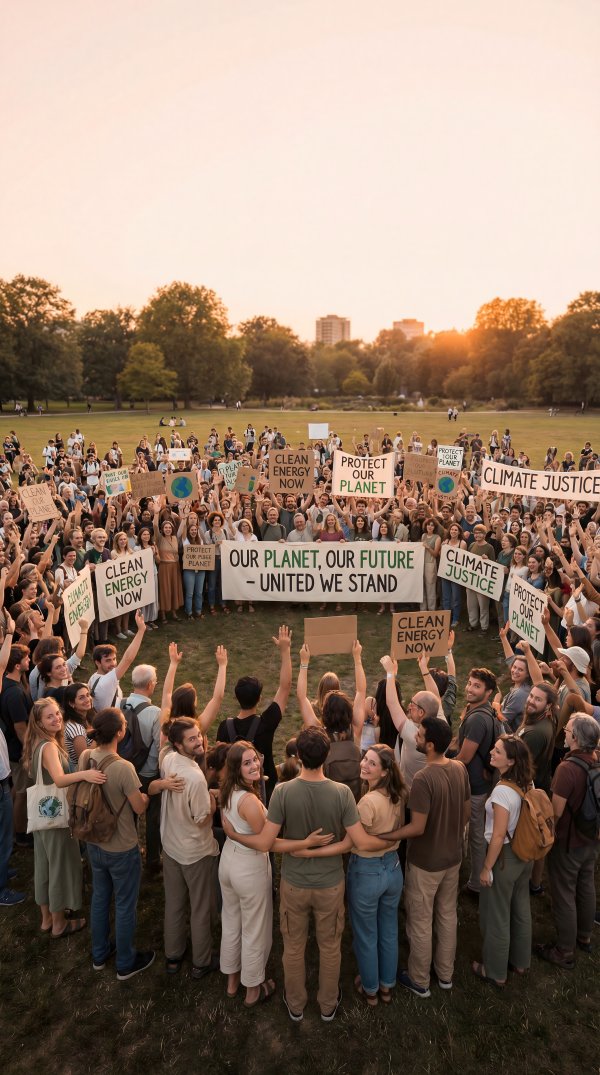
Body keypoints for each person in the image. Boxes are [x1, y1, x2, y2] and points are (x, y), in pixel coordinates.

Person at [223, 727, 386, 1023]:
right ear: (327, 756)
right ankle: (327, 1003)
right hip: (331, 884)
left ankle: (296, 1004)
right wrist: (319, 850)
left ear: (297, 756)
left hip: (294, 884)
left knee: (294, 947)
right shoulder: (343, 793)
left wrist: (236, 834)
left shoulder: (283, 791)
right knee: (330, 945)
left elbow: (266, 841)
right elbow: (353, 842)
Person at [382, 716, 470, 997]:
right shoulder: (459, 768)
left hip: (426, 862)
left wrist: (386, 836)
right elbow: (466, 813)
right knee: (446, 915)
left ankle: (419, 980)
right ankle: (445, 974)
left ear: (430, 745)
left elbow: (417, 827)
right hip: (453, 858)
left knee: (420, 920)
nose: (416, 737)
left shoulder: (423, 779)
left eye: (419, 735)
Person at [22, 697, 107, 936]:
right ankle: (59, 923)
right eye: (49, 716)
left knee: (44, 865)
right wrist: (86, 775)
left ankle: (47, 919)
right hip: (55, 817)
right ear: (38, 721)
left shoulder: (38, 742)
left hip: (42, 817)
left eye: (57, 714)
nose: (56, 718)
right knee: (59, 867)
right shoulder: (49, 747)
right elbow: (59, 779)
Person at [80, 707, 155, 980]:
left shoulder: (87, 756)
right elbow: (139, 808)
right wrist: (146, 797)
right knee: (124, 904)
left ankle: (99, 954)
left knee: (100, 898)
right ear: (121, 733)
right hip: (121, 847)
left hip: (94, 841)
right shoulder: (124, 768)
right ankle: (125, 962)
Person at [157, 717, 220, 980]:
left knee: (174, 904)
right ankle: (201, 961)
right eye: (192, 739)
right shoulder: (195, 778)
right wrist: (212, 802)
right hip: (195, 852)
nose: (199, 742)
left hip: (170, 846)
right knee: (201, 907)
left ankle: (173, 956)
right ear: (178, 744)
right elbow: (202, 818)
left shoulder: (168, 759)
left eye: (199, 736)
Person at [535, 715, 600, 969]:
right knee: (586, 885)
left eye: (569, 730)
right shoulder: (596, 761)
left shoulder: (567, 768)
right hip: (591, 837)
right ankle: (584, 937)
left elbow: (556, 812)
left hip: (569, 841)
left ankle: (565, 950)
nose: (564, 731)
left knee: (563, 894)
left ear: (576, 738)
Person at [472, 735, 535, 986]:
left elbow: (497, 835)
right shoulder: (526, 781)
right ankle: (520, 962)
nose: (491, 752)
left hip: (504, 857)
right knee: (521, 908)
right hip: (524, 854)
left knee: (496, 914)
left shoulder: (501, 792)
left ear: (510, 760)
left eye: (497, 751)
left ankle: (495, 971)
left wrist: (487, 868)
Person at [215, 626, 292, 802]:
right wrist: (285, 650)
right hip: (265, 791)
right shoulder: (266, 723)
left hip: (235, 794)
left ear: (236, 698)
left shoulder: (224, 728)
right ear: (259, 699)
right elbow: (285, 687)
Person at [454, 667, 501, 896]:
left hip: (474, 787)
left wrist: (441, 765)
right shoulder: (484, 711)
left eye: (477, 686)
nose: (470, 689)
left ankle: (476, 884)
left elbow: (464, 757)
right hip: (478, 782)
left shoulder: (477, 720)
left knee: (477, 835)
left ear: (488, 692)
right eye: (470, 683)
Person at [123, 664, 162, 875]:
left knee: (128, 815)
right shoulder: (155, 712)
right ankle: (153, 859)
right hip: (147, 773)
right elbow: (158, 747)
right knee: (153, 818)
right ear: (150, 685)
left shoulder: (119, 703)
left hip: (124, 769)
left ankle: (131, 853)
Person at [87, 610, 146, 711]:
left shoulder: (94, 678)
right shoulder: (106, 681)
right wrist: (141, 630)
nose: (113, 664)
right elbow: (128, 659)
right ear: (97, 662)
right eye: (108, 660)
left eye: (114, 659)